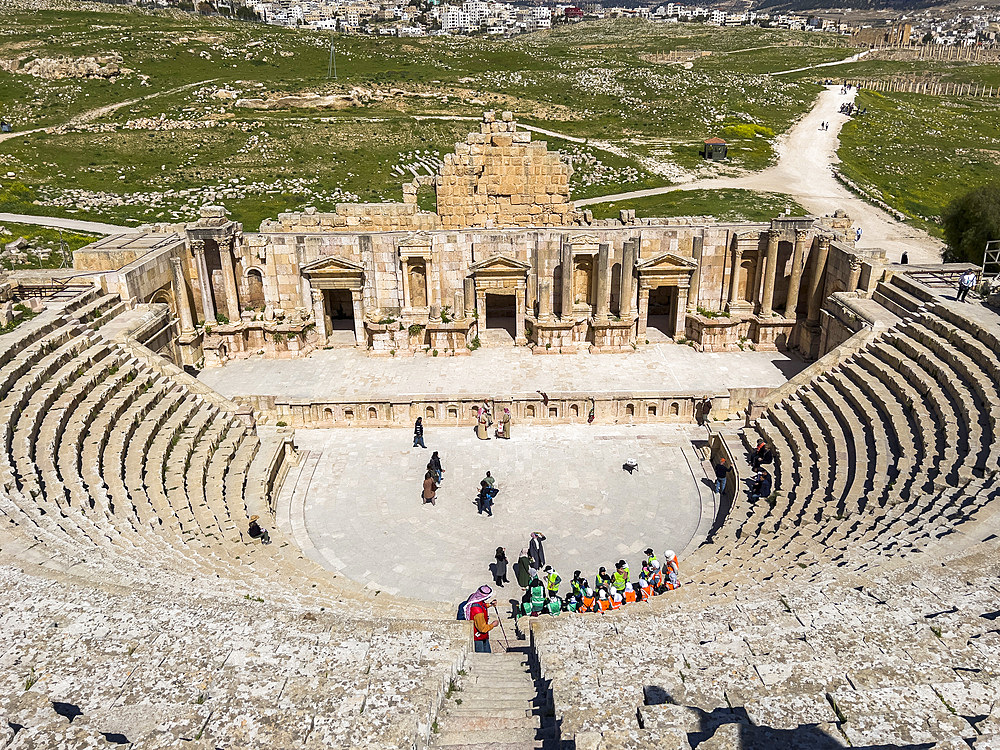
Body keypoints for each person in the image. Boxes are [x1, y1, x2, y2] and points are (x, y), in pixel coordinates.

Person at [464, 586, 498, 652]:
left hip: (479, 635)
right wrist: (493, 624)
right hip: (478, 637)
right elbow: (483, 629)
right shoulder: (478, 612)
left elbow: (481, 604)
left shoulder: (475, 598)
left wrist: (489, 604)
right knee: (482, 653)